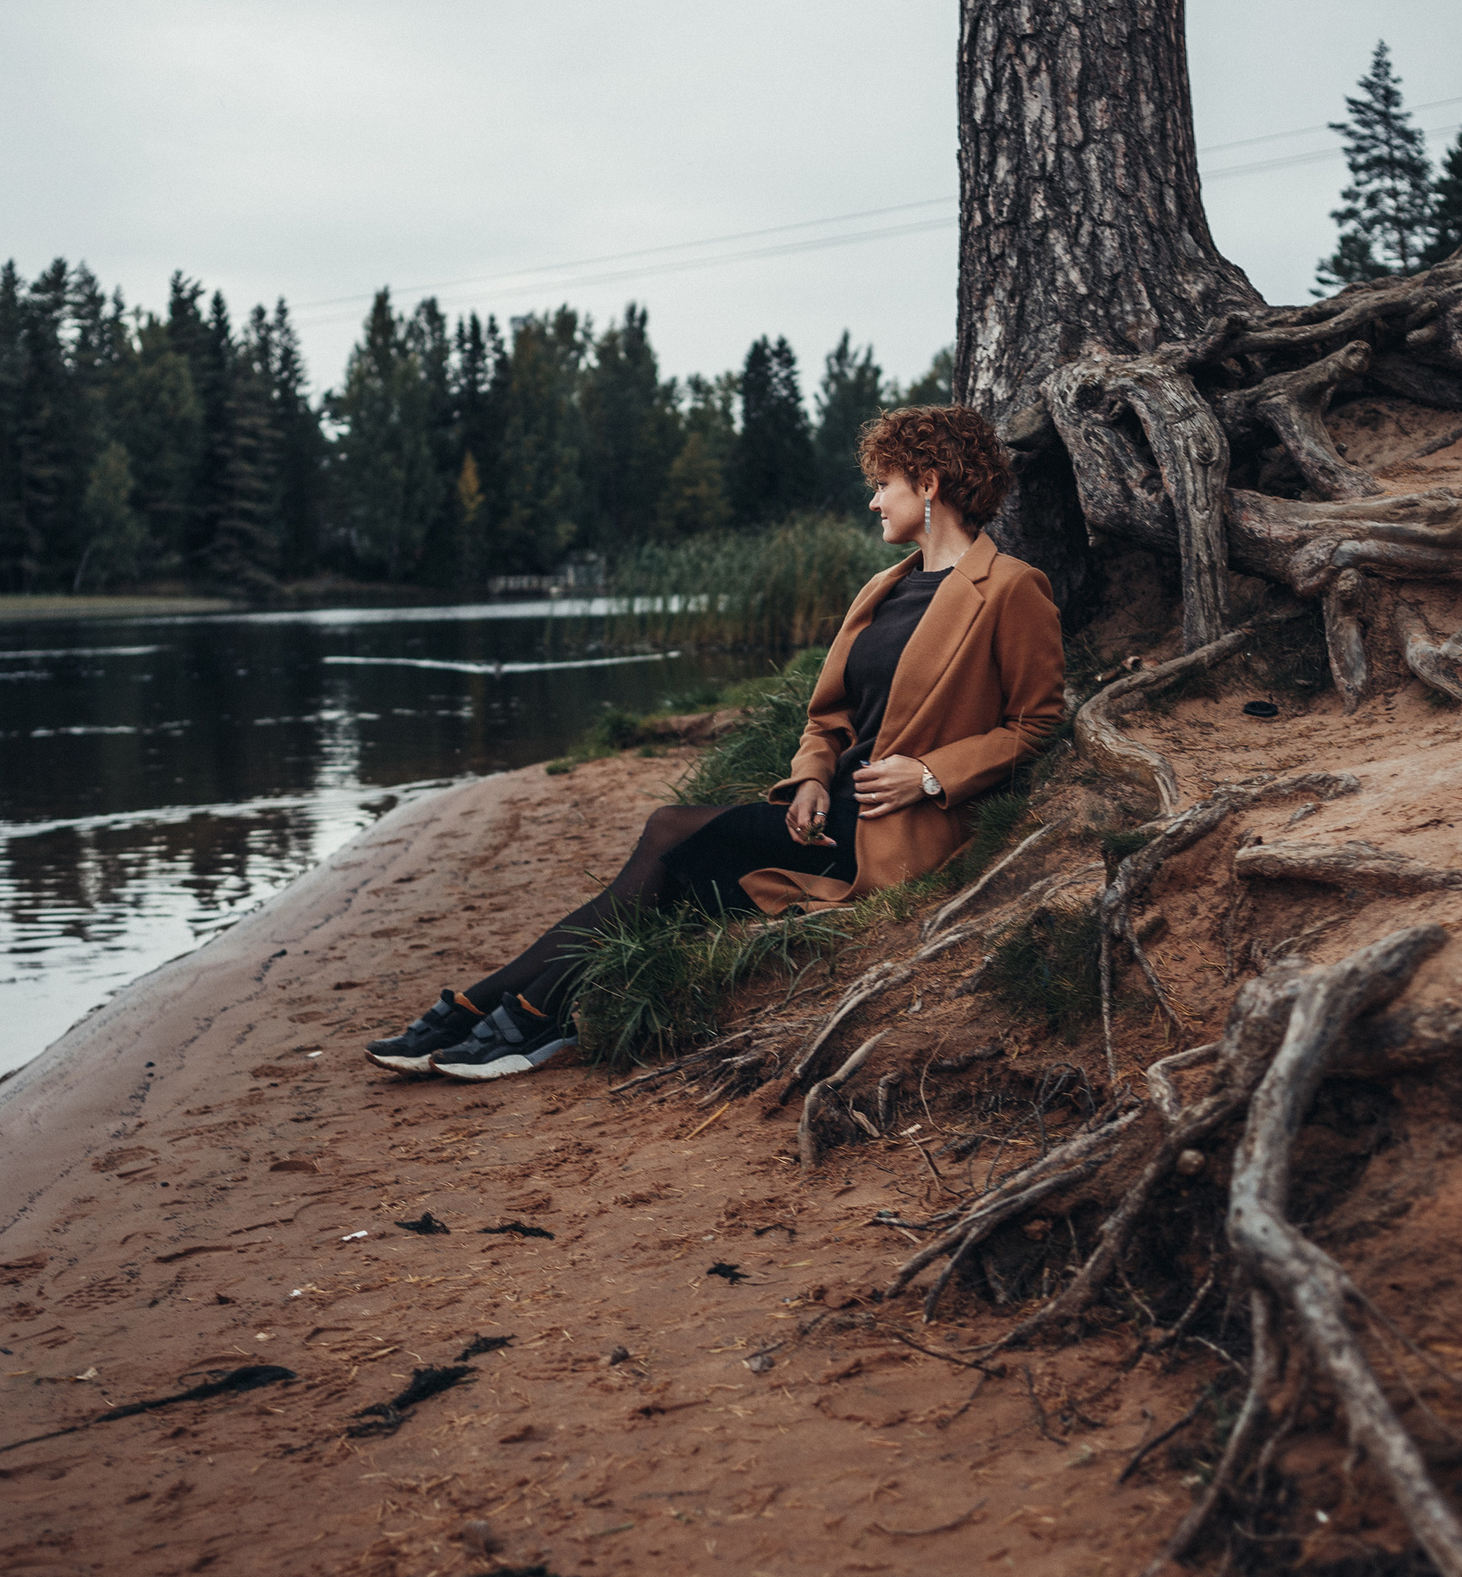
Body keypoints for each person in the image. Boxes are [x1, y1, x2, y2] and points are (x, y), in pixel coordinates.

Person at [365, 404, 1066, 1081]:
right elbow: (829, 720)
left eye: (884, 484)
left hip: (895, 829)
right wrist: (812, 777)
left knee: (670, 838)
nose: (875, 502)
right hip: (831, 816)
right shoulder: (884, 588)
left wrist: (931, 775)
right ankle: (514, 1010)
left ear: (930, 482)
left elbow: (1039, 722)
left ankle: (502, 1009)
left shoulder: (1009, 589)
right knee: (667, 864)